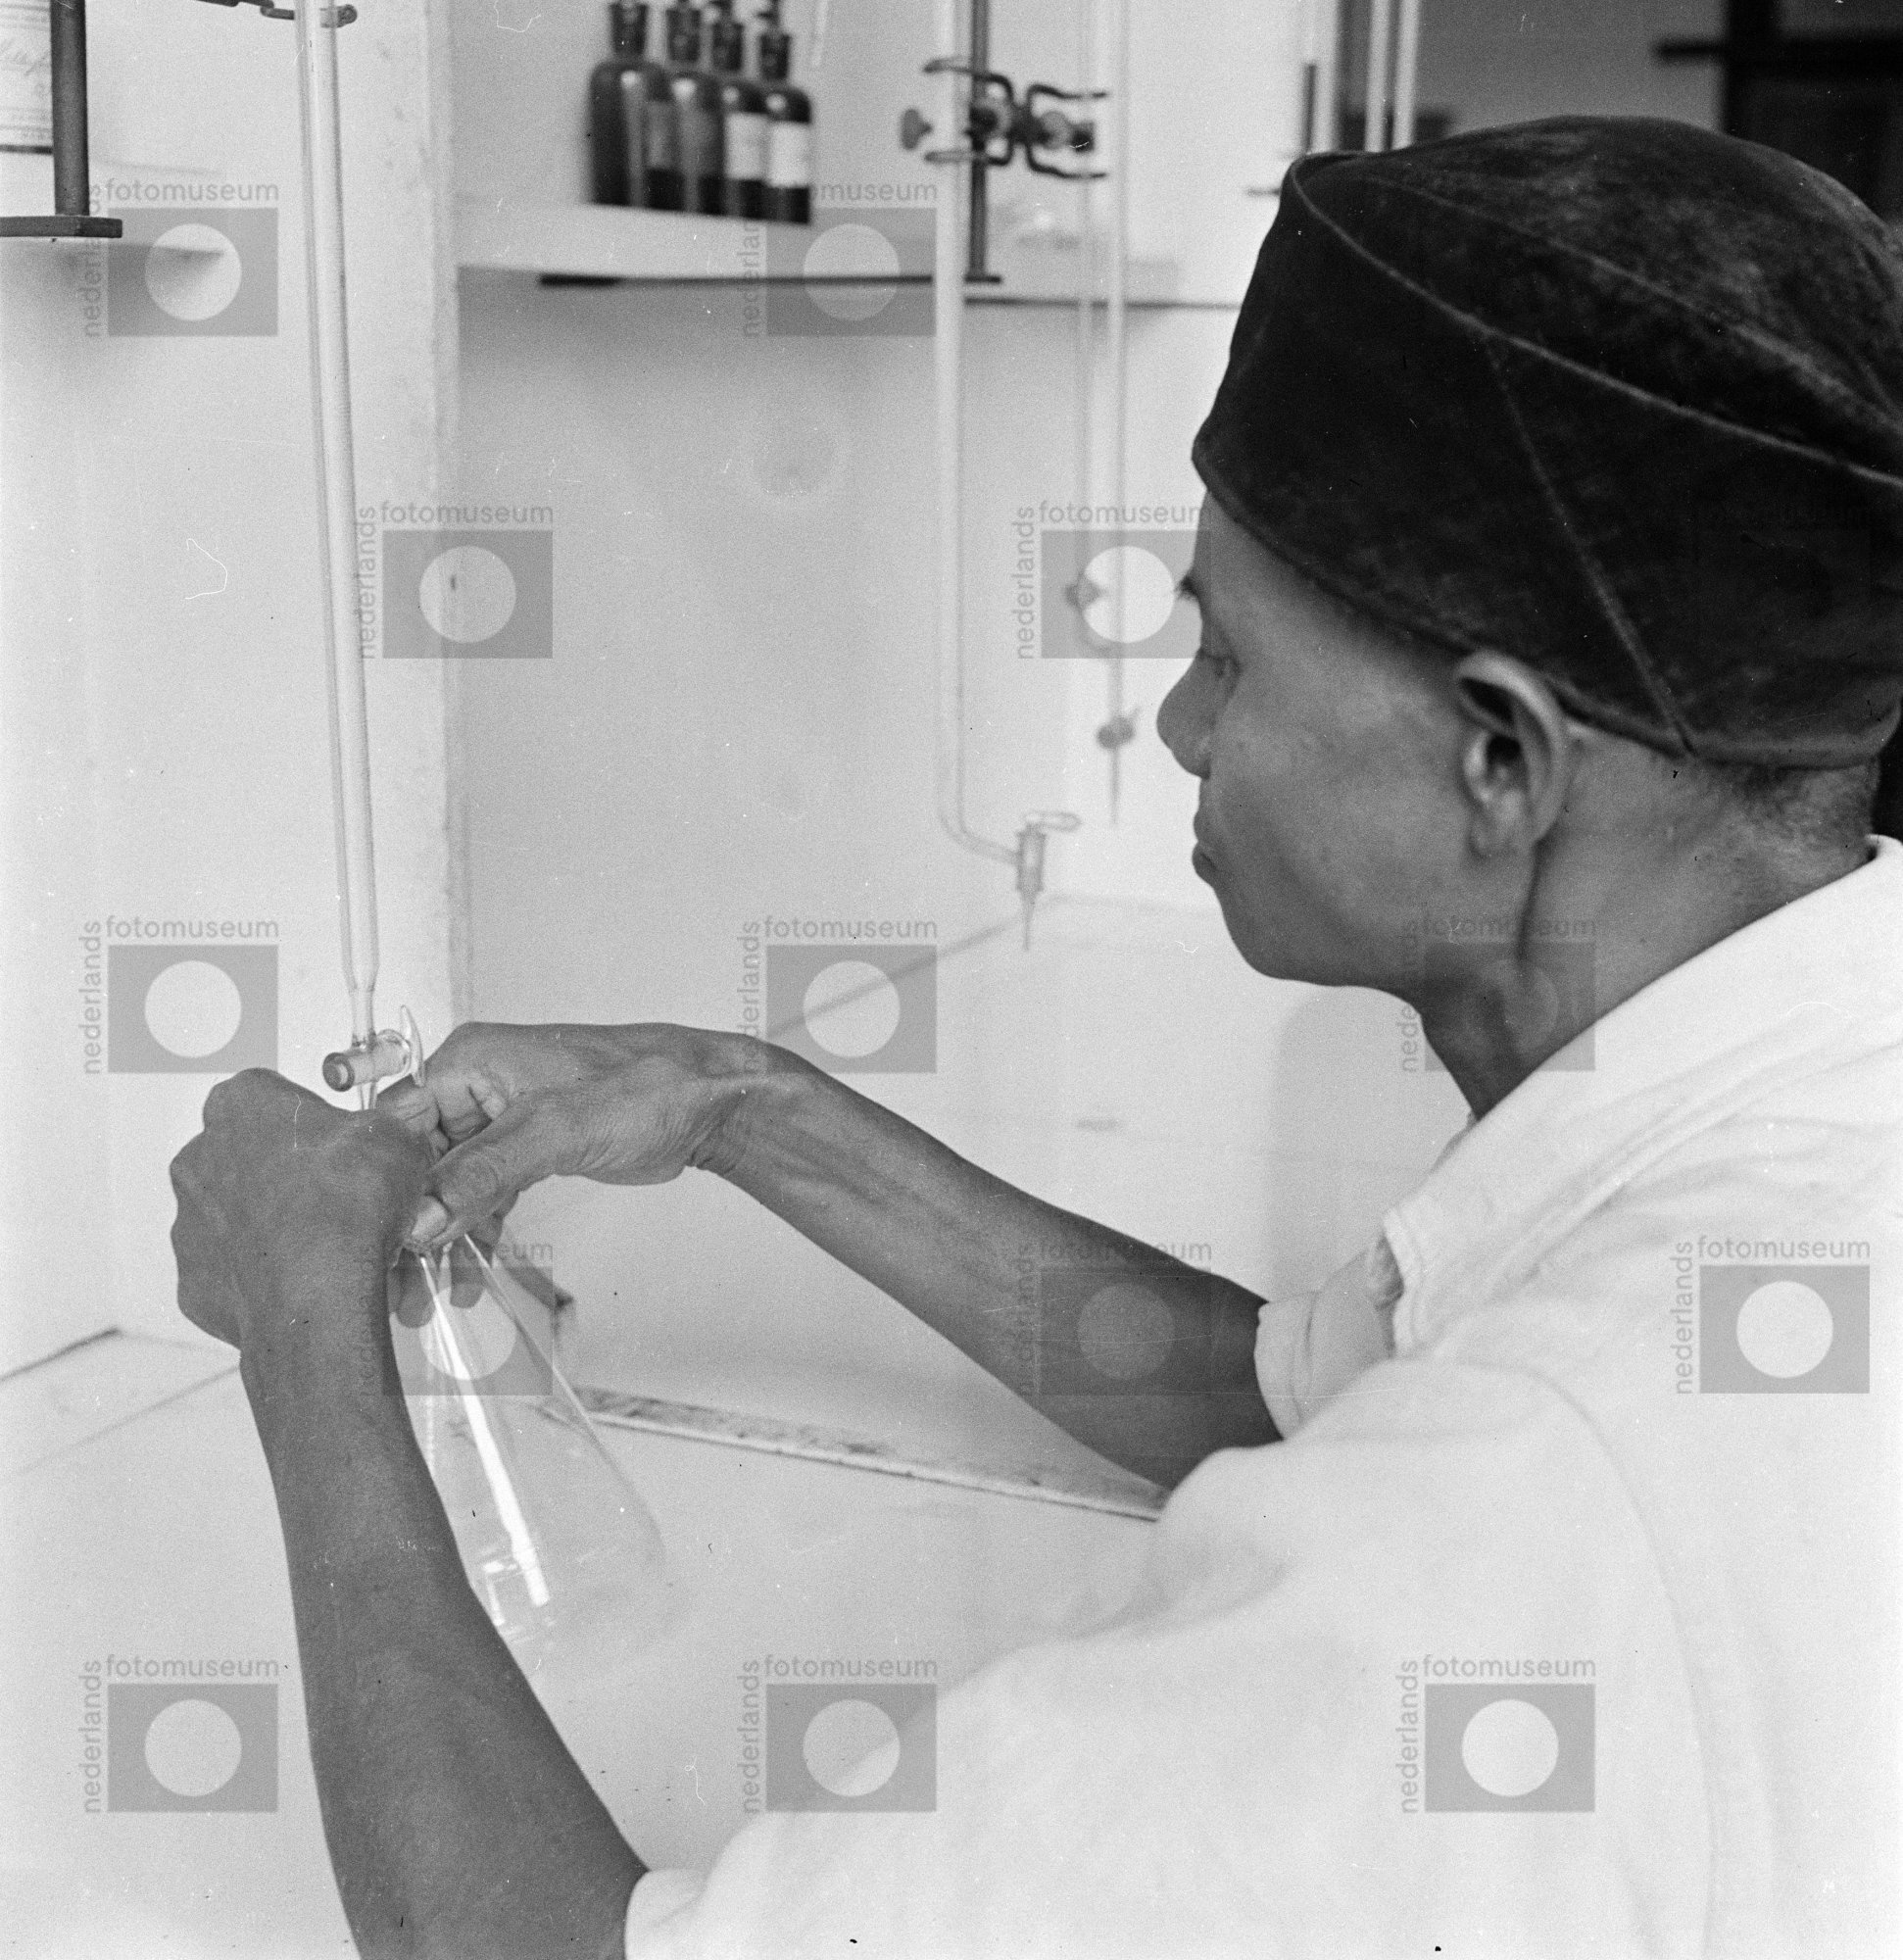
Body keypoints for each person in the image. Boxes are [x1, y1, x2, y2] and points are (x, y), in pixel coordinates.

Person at [171, 117, 1903, 1958]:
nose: (1178, 729)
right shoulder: (1787, 1095)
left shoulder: (1532, 1491)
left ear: (1502, 759)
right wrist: (746, 1104)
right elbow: (1282, 1396)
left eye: (1227, 657)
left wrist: (306, 1315)